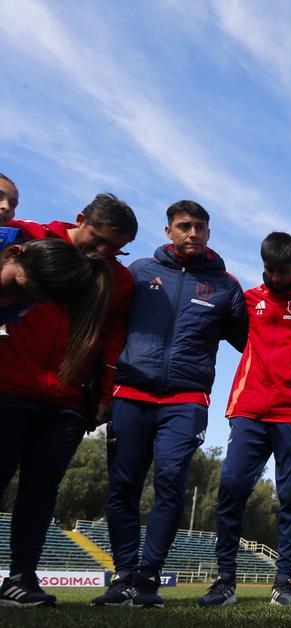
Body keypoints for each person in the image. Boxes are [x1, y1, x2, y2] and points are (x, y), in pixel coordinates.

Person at [92, 200, 246, 609]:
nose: (192, 233)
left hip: (186, 398)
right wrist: (102, 387)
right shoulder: (140, 272)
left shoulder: (226, 287)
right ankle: (124, 575)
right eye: (184, 226)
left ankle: (148, 580)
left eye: (199, 227)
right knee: (124, 484)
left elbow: (254, 345)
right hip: (131, 392)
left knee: (170, 481)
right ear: (168, 232)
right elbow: (107, 324)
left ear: (209, 233)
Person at [0, 193, 136, 608]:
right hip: (8, 386)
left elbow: (113, 341)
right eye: (98, 239)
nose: (103, 252)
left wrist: (102, 394)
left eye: (116, 248)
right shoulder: (26, 239)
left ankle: (21, 578)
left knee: (42, 490)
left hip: (65, 400)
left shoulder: (118, 280)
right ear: (80, 219)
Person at [198, 233, 291, 608]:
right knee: (231, 488)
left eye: (282, 270)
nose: (274, 276)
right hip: (248, 409)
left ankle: (284, 581)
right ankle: (224, 581)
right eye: (269, 270)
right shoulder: (250, 299)